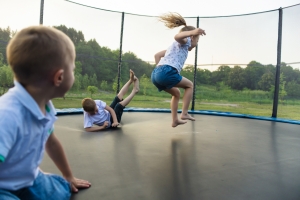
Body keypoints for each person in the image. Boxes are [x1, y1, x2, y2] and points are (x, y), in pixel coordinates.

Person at [0, 26, 91, 200]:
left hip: (29, 179)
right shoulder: (8, 115)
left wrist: (68, 176)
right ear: (59, 77)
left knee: (61, 190)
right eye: (72, 69)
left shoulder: (46, 106)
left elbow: (52, 143)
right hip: (2, 188)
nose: (74, 74)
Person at [151, 12, 206, 127]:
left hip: (155, 75)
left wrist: (160, 71)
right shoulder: (185, 42)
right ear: (192, 37)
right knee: (190, 85)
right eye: (197, 40)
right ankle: (184, 113)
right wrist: (193, 32)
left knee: (176, 93)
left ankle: (174, 120)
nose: (196, 44)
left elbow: (157, 55)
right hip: (166, 72)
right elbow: (177, 36)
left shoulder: (172, 49)